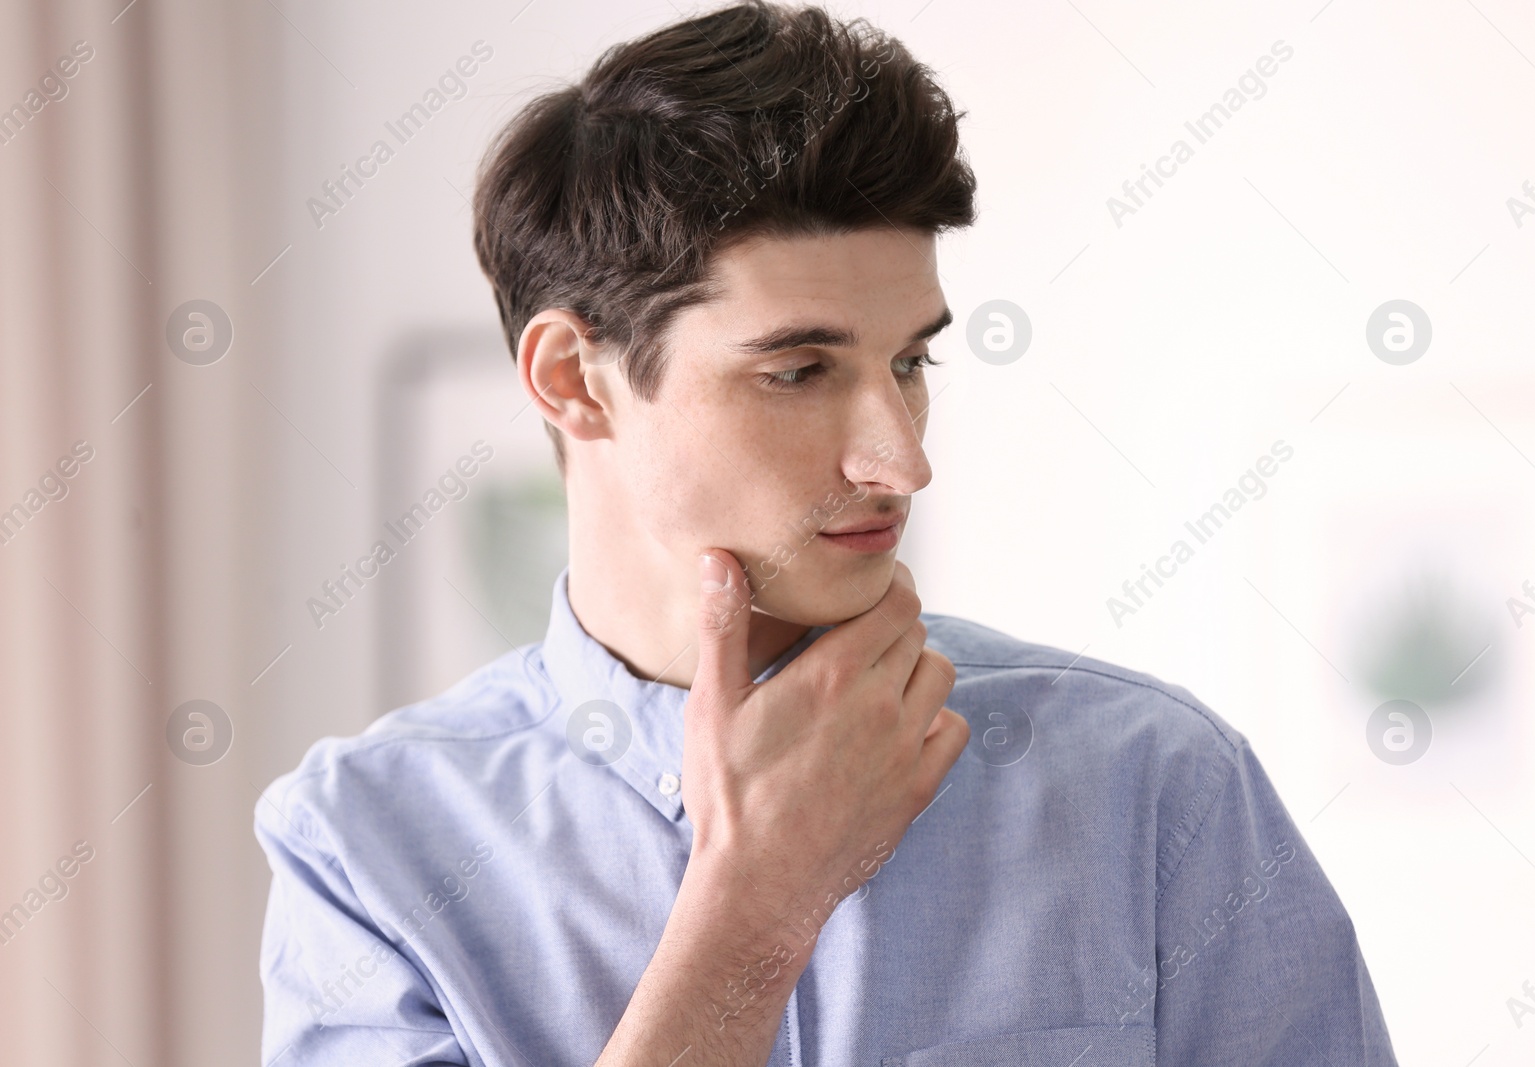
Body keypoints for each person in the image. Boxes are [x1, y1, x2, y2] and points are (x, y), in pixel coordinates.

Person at [254, 2, 1399, 1064]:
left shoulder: (1153, 786)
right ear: (575, 380)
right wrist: (752, 913)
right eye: (798, 370)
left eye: (909, 363)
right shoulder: (363, 848)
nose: (901, 459)